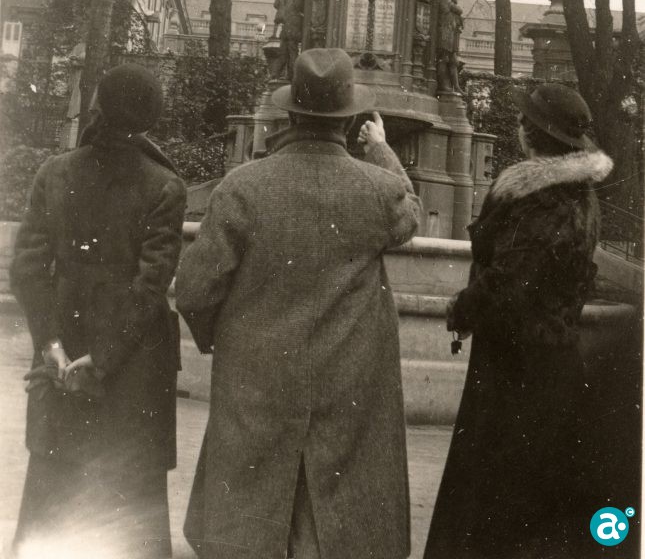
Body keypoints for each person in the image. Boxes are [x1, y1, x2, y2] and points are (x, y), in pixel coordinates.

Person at [175, 47, 421, 559]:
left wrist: (231, 341)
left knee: (248, 510)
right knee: (336, 511)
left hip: (258, 371)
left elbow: (195, 290)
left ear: (290, 112)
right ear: (351, 119)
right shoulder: (378, 190)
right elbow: (410, 213)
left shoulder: (243, 186)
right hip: (348, 376)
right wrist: (380, 150)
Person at [423, 82, 613, 559]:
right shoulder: (579, 194)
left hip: (518, 367)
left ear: (534, 135)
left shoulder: (544, 199)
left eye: (524, 123)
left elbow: (510, 280)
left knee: (497, 498)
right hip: (549, 358)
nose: (519, 128)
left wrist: (461, 309)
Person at [11, 64, 186, 559]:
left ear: (98, 108)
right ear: (149, 120)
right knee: (130, 510)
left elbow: (26, 269)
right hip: (132, 372)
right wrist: (103, 359)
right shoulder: (165, 187)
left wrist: (52, 349)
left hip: (59, 361)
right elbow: (151, 287)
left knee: (52, 502)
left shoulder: (54, 172)